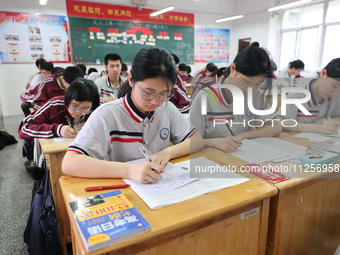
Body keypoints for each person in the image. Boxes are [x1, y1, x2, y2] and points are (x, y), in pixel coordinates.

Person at [62, 47, 204, 183]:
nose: (155, 101)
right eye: (148, 92)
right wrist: (129, 170)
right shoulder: (107, 114)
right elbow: (70, 162)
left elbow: (197, 140)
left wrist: (167, 153)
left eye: (164, 94)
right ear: (130, 80)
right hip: (123, 191)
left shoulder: (166, 108)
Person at [190, 45, 283, 153]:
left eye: (257, 84)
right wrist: (213, 142)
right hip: (212, 157)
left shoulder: (256, 94)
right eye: (247, 81)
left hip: (241, 157)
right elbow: (189, 140)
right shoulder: (205, 97)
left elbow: (276, 127)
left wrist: (242, 135)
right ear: (233, 69)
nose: (250, 89)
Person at [19, 78, 100, 139]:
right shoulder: (54, 105)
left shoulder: (98, 108)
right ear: (68, 99)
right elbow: (24, 128)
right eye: (75, 106)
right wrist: (58, 129)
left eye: (85, 108)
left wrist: (91, 123)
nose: (78, 112)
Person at [277, 58, 340, 134]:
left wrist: (324, 120)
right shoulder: (297, 94)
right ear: (323, 74)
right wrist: (318, 128)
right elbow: (280, 122)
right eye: (335, 86)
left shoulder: (336, 95)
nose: (335, 93)